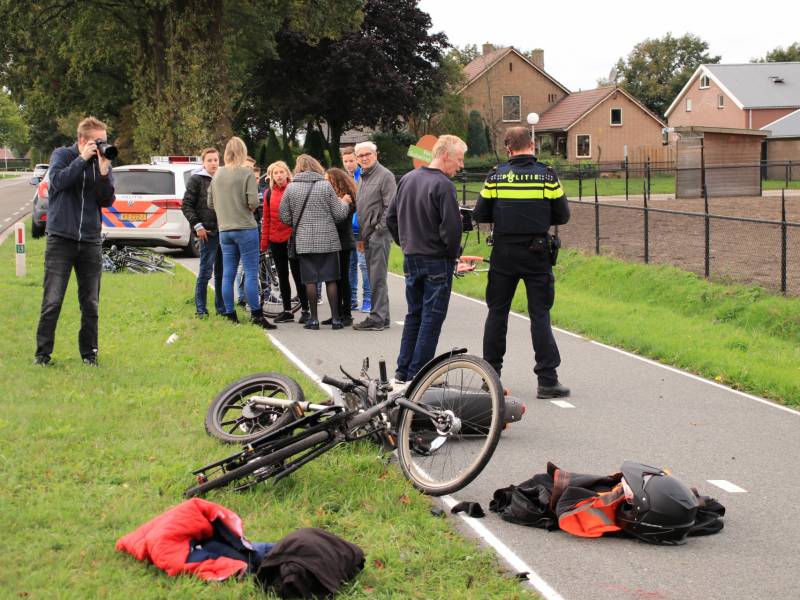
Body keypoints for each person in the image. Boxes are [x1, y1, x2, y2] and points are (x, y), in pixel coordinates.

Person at [473, 126, 571, 398]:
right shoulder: (547, 176)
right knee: (539, 315)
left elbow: (480, 214)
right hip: (536, 252)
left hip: (503, 253)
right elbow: (563, 216)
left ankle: (490, 378)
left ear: (508, 149)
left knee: (497, 313)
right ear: (532, 146)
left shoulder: (496, 176)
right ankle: (548, 381)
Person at [34, 116, 116, 366]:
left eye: (104, 140)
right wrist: (81, 159)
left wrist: (103, 172)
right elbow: (57, 183)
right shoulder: (62, 155)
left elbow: (106, 201)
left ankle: (89, 353)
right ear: (83, 140)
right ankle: (43, 354)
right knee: (52, 300)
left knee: (91, 303)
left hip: (90, 240)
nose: (102, 145)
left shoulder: (103, 163)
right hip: (61, 238)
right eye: (98, 141)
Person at [386, 135, 466, 382]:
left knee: (415, 314)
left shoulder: (408, 179)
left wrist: (406, 242)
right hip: (436, 260)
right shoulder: (444, 186)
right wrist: (454, 256)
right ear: (445, 155)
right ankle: (418, 375)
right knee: (432, 318)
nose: (461, 165)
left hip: (412, 257)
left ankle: (403, 370)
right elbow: (452, 229)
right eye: (459, 159)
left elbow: (391, 218)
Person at [208, 137, 276, 330]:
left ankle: (230, 314)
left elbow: (210, 203)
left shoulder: (217, 175)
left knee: (228, 273)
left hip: (225, 229)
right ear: (242, 152)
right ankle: (256, 314)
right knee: (251, 272)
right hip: (245, 228)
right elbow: (254, 202)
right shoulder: (245, 173)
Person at [279, 155, 351, 330]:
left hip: (304, 240)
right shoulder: (325, 186)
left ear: (298, 168)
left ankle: (313, 320)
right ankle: (335, 319)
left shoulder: (291, 188)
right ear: (316, 165)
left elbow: (284, 216)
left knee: (310, 280)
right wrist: (344, 202)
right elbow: (339, 214)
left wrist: (299, 222)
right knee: (331, 279)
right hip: (328, 239)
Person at [352, 141, 396, 331]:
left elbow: (391, 206)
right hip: (366, 234)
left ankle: (377, 318)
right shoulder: (362, 176)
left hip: (379, 234)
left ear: (376, 154)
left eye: (367, 154)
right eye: (360, 156)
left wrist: (379, 229)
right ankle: (382, 317)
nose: (364, 158)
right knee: (373, 276)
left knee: (377, 277)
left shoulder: (385, 175)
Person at [260, 160, 310, 324]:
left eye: (282, 172)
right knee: (282, 275)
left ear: (287, 174)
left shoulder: (294, 189)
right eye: (276, 173)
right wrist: (264, 243)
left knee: (298, 275)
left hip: (292, 238)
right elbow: (266, 219)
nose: (279, 175)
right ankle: (287, 310)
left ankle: (305, 309)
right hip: (275, 239)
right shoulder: (268, 193)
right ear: (271, 176)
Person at [182, 147, 224, 317]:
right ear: (203, 162)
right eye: (210, 160)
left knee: (223, 273)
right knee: (205, 273)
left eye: (216, 160)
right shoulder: (196, 180)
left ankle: (222, 308)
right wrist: (197, 226)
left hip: (225, 232)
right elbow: (186, 205)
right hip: (207, 232)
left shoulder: (223, 177)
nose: (214, 163)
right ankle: (201, 310)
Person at [324, 167, 357, 327]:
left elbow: (340, 220)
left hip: (343, 242)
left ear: (336, 181)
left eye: (328, 180)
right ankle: (336, 313)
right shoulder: (333, 197)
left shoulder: (347, 197)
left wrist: (340, 204)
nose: (326, 183)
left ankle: (347, 314)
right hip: (332, 241)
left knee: (343, 278)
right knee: (333, 279)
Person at [341, 147, 370, 313]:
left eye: (351, 161)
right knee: (350, 265)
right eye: (345, 161)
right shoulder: (343, 179)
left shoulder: (364, 177)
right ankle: (351, 298)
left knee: (363, 264)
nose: (349, 164)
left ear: (357, 160)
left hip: (361, 229)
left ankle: (367, 299)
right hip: (347, 229)